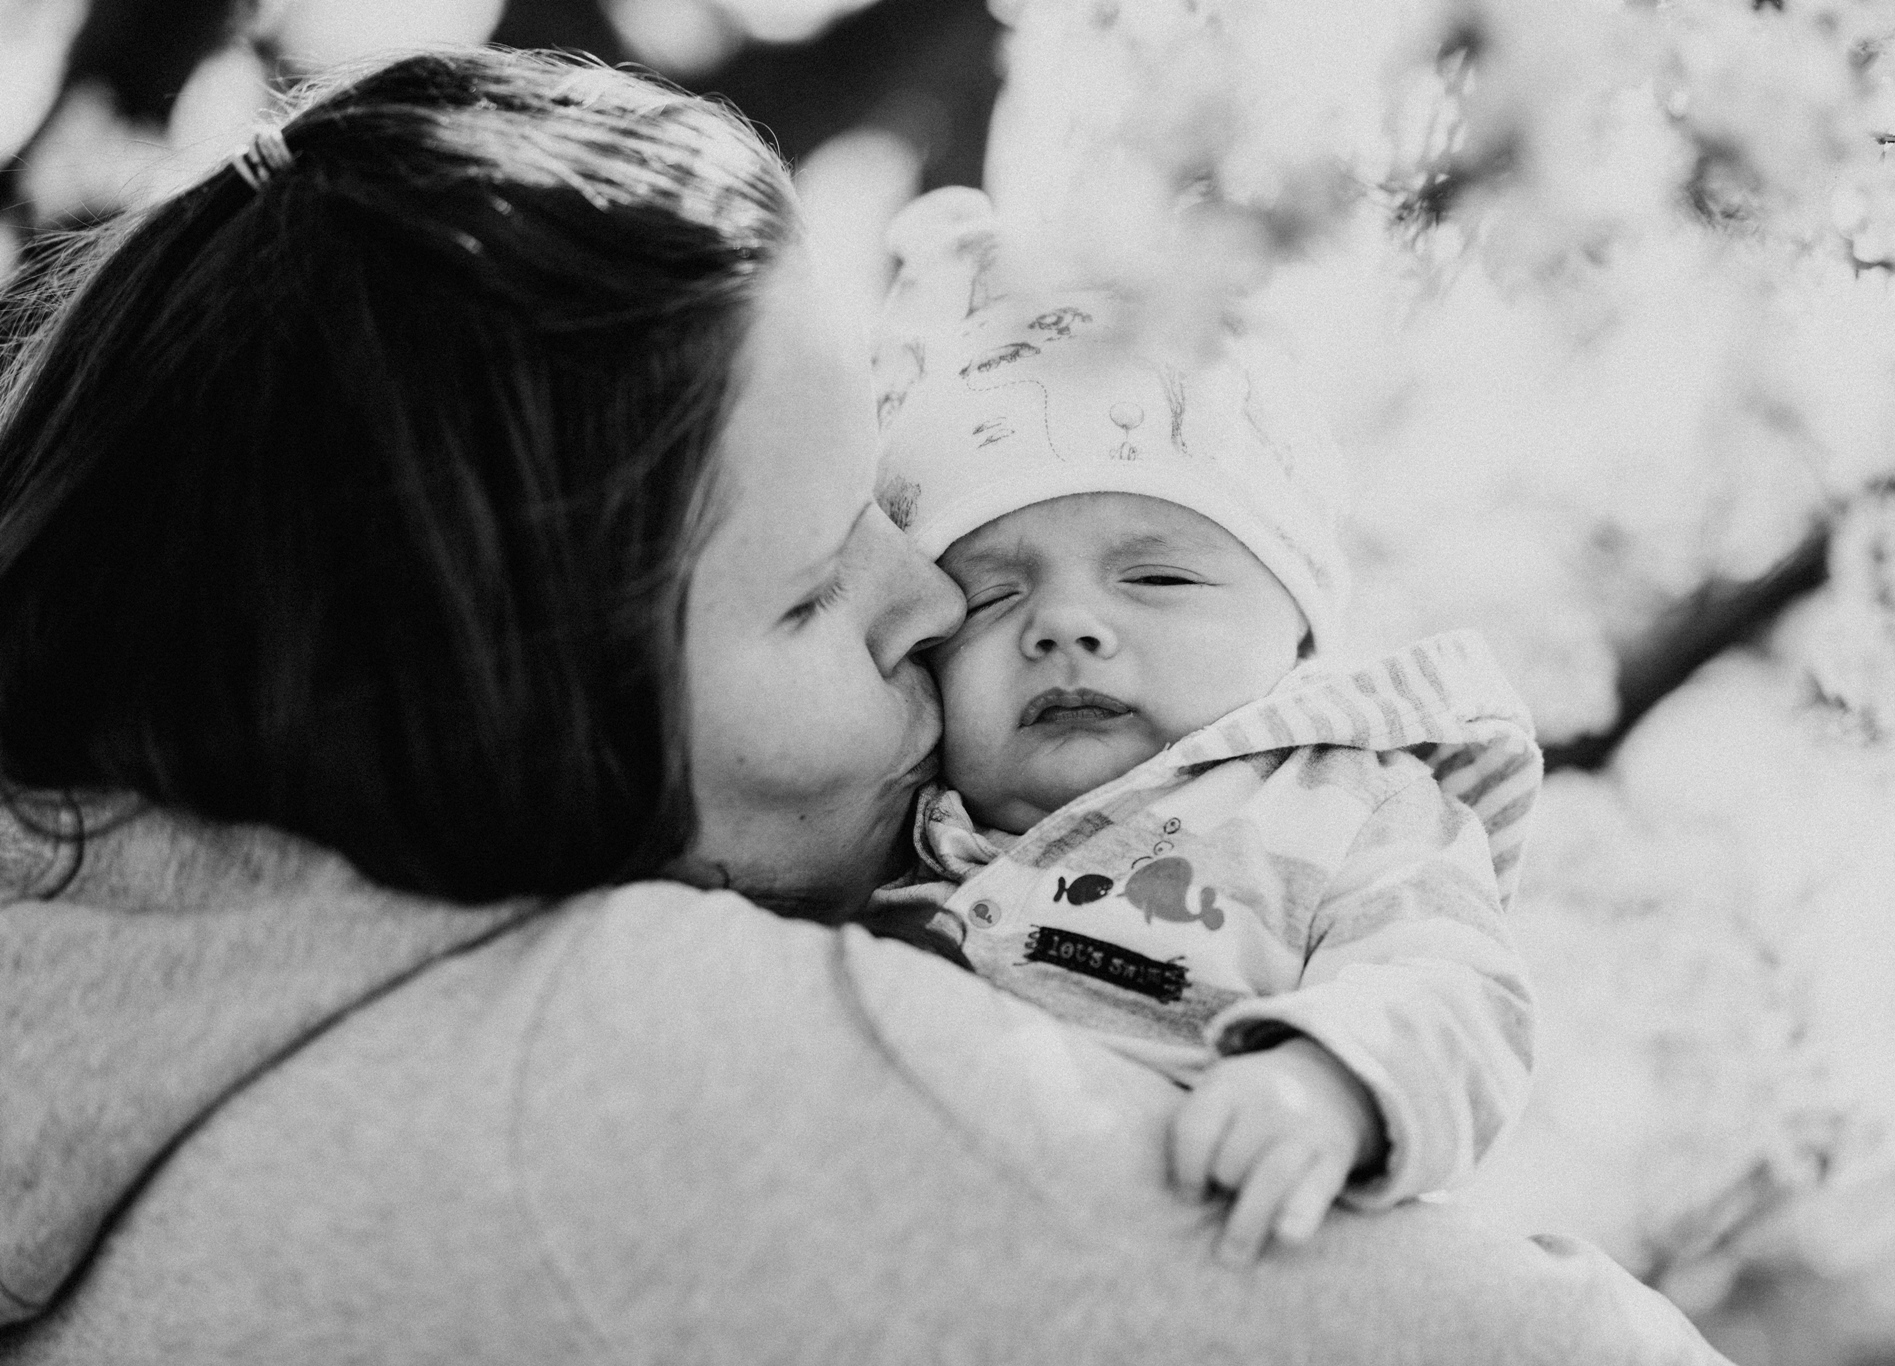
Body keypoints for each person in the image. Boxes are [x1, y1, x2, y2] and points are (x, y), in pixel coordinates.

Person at [0, 46, 1731, 1365]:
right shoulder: (618, 1068)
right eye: (819, 584)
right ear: (520, 707)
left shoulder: (134, 1069)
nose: (938, 600)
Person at [867, 189, 1542, 1266]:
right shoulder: (900, 815)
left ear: (1298, 632)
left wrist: (1327, 1080)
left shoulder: (1346, 805)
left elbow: (1454, 987)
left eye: (1157, 576)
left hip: (1187, 1241)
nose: (1065, 624)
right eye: (992, 596)